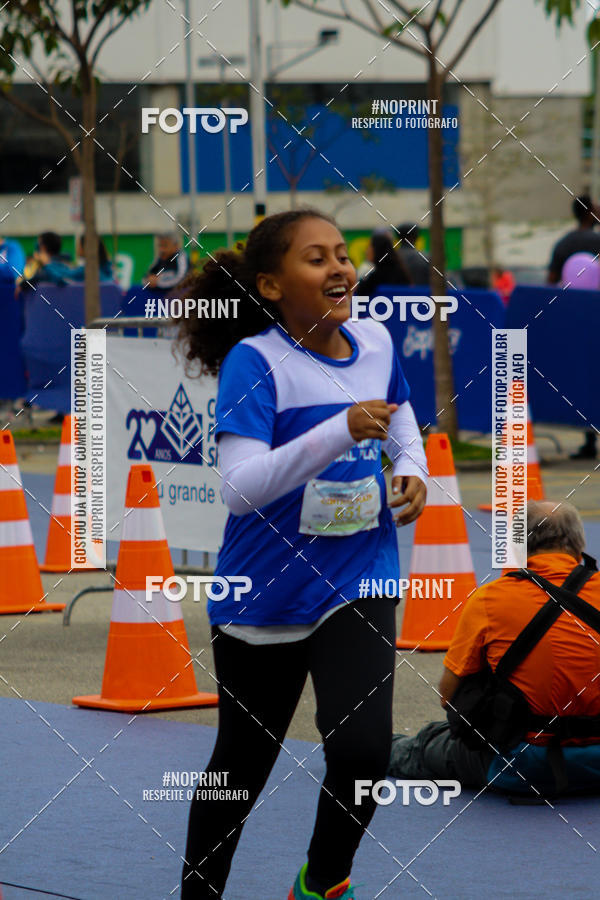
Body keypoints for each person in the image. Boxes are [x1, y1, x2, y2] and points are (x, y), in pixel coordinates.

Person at [176, 207, 428, 899]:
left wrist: (414, 466)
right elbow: (238, 489)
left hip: (359, 575)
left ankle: (320, 886)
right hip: (265, 590)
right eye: (315, 259)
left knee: (362, 751)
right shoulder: (257, 365)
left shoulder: (373, 342)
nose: (340, 267)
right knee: (243, 764)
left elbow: (399, 410)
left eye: (342, 254)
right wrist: (341, 431)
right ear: (271, 285)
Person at [389, 500, 600, 795]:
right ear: (579, 545)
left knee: (423, 745)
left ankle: (358, 748)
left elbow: (448, 696)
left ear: (516, 547)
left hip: (525, 765)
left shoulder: (490, 599)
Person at [547, 194, 600, 285]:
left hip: (569, 297)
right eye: (596, 210)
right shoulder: (597, 241)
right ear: (589, 213)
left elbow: (551, 281)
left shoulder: (563, 243)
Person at [355, 231, 412, 296]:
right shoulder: (400, 271)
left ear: (377, 250)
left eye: (369, 247)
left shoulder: (378, 275)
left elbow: (360, 291)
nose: (366, 251)